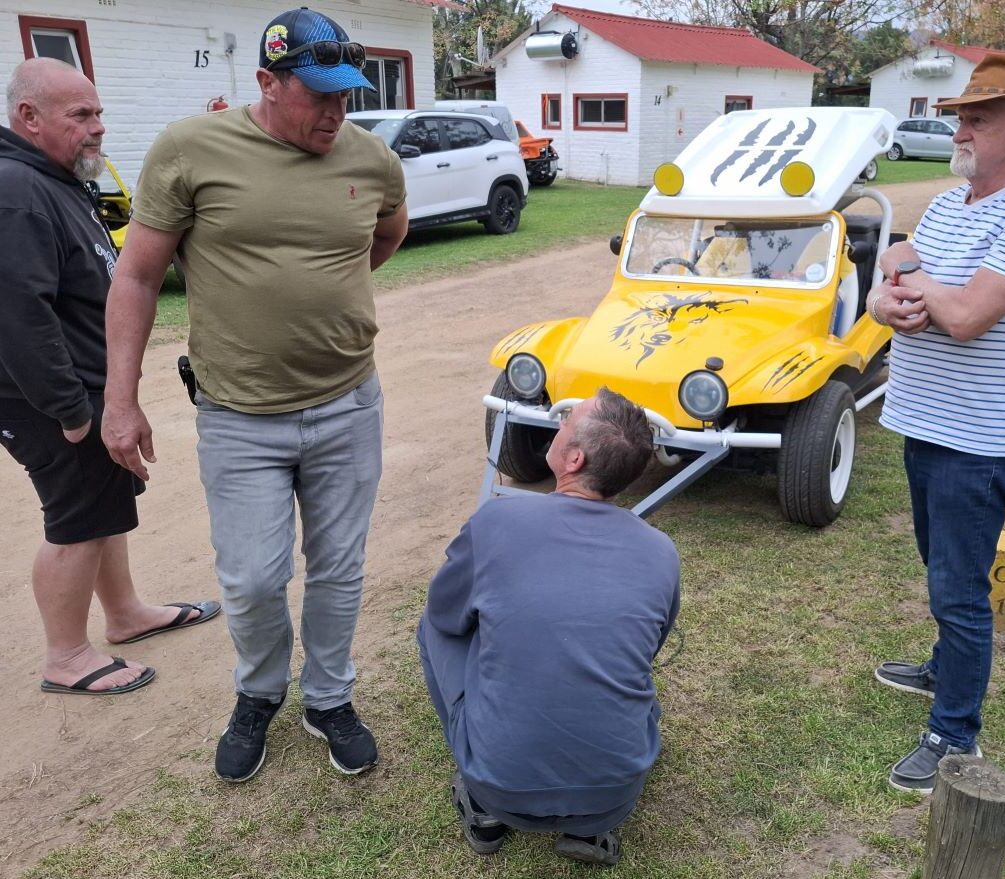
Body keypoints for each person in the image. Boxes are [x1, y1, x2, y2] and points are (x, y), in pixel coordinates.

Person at [101, 8, 408, 783]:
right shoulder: (190, 150)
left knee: (339, 568)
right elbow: (136, 276)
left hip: (347, 404)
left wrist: (320, 297)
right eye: (319, 96)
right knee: (251, 576)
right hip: (240, 418)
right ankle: (260, 694)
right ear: (267, 83)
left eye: (348, 96)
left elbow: (385, 234)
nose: (337, 112)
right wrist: (120, 397)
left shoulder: (370, 158)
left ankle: (329, 697)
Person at [0, 58, 220, 697]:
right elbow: (18, 316)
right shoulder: (16, 190)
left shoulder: (57, 177)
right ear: (29, 118)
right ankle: (65, 655)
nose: (99, 127)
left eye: (98, 112)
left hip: (82, 388)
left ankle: (124, 615)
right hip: (46, 396)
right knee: (76, 517)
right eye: (82, 116)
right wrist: (72, 411)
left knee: (104, 499)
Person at [418, 388, 680, 865]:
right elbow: (651, 649)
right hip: (616, 794)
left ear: (574, 458)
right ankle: (589, 828)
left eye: (565, 422)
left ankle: (483, 810)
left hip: (501, 787)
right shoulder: (660, 550)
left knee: (434, 627)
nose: (556, 425)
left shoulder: (498, 520)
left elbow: (444, 616)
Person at [865, 52, 1005, 794]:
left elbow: (962, 316)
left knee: (960, 592)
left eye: (979, 116)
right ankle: (943, 670)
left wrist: (907, 270)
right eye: (961, 113)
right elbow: (893, 294)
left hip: (979, 440)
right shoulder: (947, 204)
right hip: (927, 422)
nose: (959, 126)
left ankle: (954, 730)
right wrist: (886, 296)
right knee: (941, 571)